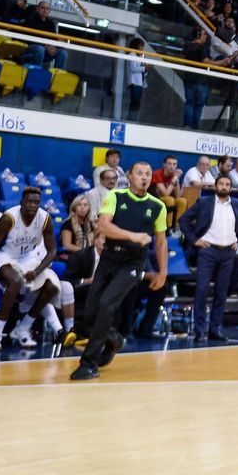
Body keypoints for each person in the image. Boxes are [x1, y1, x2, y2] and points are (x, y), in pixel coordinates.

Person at [71, 163, 167, 380]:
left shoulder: (158, 206)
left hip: (133, 264)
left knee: (106, 305)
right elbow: (103, 226)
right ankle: (113, 339)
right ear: (130, 176)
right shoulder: (116, 196)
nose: (144, 177)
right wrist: (133, 236)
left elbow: (161, 243)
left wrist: (163, 273)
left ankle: (89, 363)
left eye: (148, 174)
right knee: (91, 312)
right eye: (140, 173)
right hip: (109, 259)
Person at [179, 174, 238, 341]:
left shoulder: (237, 204)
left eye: (227, 184)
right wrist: (194, 240)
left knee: (221, 293)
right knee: (201, 290)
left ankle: (215, 329)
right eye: (221, 184)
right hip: (208, 251)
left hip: (228, 253)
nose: (224, 186)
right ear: (215, 186)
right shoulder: (204, 202)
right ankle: (199, 330)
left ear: (231, 187)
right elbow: (184, 219)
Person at [0, 188, 62, 348]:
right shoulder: (8, 218)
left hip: (27, 257)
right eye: (29, 202)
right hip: (5, 254)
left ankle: (23, 328)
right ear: (21, 203)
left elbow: (52, 251)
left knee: (52, 287)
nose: (33, 205)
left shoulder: (45, 218)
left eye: (36, 202)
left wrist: (37, 271)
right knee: (15, 282)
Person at [150, 155, 187, 222]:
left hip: (166, 198)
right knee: (169, 199)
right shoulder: (158, 174)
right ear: (164, 165)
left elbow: (178, 196)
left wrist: (177, 179)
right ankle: (168, 228)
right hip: (155, 199)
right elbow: (165, 194)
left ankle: (178, 228)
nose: (172, 166)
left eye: (174, 164)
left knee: (182, 201)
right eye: (169, 164)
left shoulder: (173, 175)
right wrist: (174, 179)